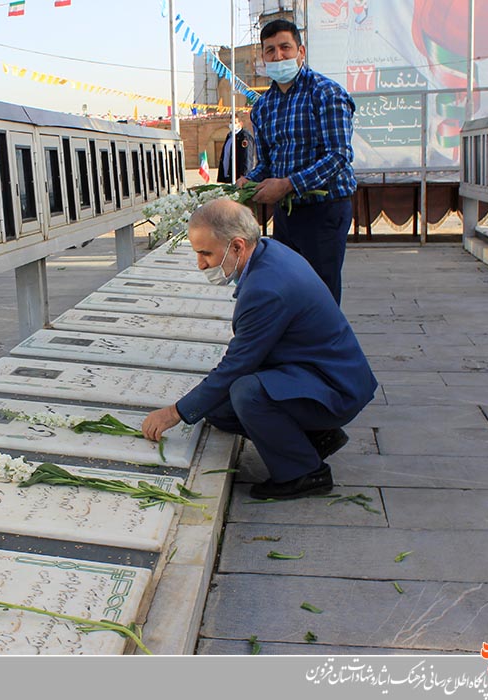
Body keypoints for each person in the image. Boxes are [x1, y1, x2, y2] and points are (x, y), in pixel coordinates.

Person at [141, 199, 377, 500]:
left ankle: (305, 473)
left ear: (237, 246)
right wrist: (195, 407)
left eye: (206, 253)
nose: (200, 264)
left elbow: (236, 366)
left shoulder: (266, 289)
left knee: (246, 393)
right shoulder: (268, 251)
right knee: (217, 410)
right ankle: (316, 437)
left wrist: (175, 412)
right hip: (315, 372)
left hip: (334, 388)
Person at [239, 19, 356, 305]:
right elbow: (268, 164)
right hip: (286, 213)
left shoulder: (325, 93)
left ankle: (326, 336)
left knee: (320, 293)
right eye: (270, 51)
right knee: (287, 290)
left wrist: (289, 184)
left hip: (325, 210)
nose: (278, 56)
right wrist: (249, 181)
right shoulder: (263, 106)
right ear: (263, 58)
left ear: (300, 52)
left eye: (285, 48)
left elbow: (338, 155)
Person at [216, 112, 252, 184]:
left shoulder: (244, 137)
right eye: (231, 122)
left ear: (240, 124)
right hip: (228, 175)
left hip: (238, 176)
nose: (232, 124)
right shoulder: (230, 136)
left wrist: (244, 175)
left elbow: (246, 157)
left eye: (235, 122)